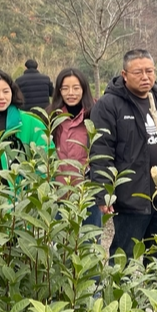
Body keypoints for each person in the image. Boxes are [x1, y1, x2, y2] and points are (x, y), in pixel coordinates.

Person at [88, 49, 157, 261]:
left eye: (149, 71)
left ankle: (156, 293)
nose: (145, 76)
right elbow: (101, 150)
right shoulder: (109, 105)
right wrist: (103, 192)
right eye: (138, 72)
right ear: (124, 74)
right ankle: (119, 294)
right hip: (130, 197)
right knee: (124, 256)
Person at [48, 67, 100, 228]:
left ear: (84, 89)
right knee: (60, 246)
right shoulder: (51, 116)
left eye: (76, 88)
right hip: (58, 193)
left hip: (87, 194)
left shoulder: (96, 113)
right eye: (65, 88)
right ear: (59, 91)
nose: (71, 93)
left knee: (88, 244)